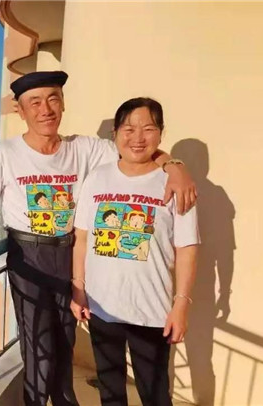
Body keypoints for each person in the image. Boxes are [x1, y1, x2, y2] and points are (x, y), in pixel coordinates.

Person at [0, 72, 197, 406]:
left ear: (63, 104)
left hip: (70, 253)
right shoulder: (5, 152)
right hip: (28, 255)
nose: (46, 109)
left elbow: (137, 148)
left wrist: (175, 166)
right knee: (39, 346)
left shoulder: (85, 148)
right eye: (35, 102)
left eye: (53, 99)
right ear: (21, 110)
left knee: (65, 341)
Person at [71, 97, 200, 406]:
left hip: (151, 311)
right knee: (110, 391)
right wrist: (78, 288)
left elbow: (187, 248)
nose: (138, 138)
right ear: (115, 133)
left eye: (148, 129)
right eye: (128, 129)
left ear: (161, 133)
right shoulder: (97, 178)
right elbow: (82, 239)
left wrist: (181, 305)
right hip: (102, 307)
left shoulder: (175, 184)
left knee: (155, 394)